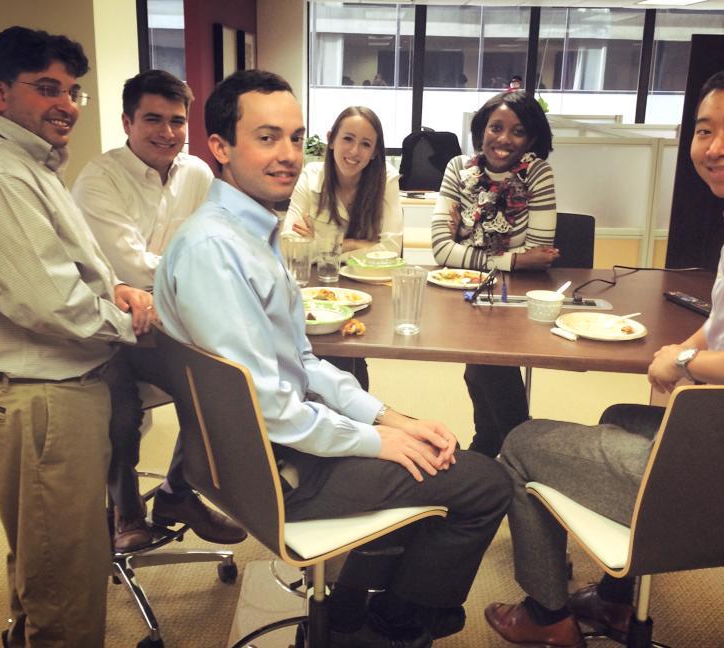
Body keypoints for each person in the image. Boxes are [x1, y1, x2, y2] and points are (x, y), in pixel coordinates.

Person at [485, 65, 724, 648]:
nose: (715, 148)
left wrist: (686, 366)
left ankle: (547, 617)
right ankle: (615, 604)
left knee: (520, 442)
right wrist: (685, 346)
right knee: (620, 416)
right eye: (704, 130)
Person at [153, 69, 512, 648]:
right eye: (267, 137)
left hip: (277, 448)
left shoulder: (246, 234)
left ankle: (348, 613)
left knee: (421, 449)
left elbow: (302, 362)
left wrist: (391, 420)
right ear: (219, 147)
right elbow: (268, 408)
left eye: (296, 138)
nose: (288, 155)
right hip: (270, 474)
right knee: (484, 482)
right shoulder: (214, 251)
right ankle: (391, 627)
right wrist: (378, 442)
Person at [0, 26, 156, 647]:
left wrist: (118, 290)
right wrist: (142, 323)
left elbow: (70, 267)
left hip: (55, 392)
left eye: (74, 91)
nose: (66, 103)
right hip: (40, 399)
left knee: (48, 558)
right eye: (47, 88)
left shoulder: (29, 165)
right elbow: (45, 300)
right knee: (66, 582)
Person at [72, 69, 245, 552]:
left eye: (176, 120)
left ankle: (177, 493)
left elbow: (219, 239)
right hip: (110, 328)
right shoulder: (99, 180)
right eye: (153, 119)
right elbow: (129, 262)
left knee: (226, 384)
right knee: (120, 411)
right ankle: (125, 512)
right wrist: (187, 269)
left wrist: (178, 277)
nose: (167, 133)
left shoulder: (196, 173)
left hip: (171, 320)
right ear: (127, 121)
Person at [431, 90, 559, 459]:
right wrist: (511, 259)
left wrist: (467, 246)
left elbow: (539, 250)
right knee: (479, 370)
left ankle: (509, 447)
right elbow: (440, 250)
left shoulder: (537, 173)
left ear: (531, 139)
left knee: (487, 367)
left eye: (517, 131)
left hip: (514, 298)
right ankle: (495, 445)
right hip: (466, 295)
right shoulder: (458, 168)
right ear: (481, 130)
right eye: (495, 127)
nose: (503, 139)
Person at [282, 105, 402, 389]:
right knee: (317, 353)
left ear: (374, 152)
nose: (354, 151)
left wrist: (321, 243)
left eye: (365, 144)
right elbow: (290, 246)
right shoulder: (310, 176)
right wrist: (357, 245)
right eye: (347, 138)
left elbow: (391, 250)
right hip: (315, 288)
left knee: (349, 356)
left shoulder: (386, 178)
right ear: (331, 139)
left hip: (366, 291)